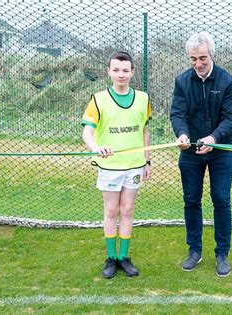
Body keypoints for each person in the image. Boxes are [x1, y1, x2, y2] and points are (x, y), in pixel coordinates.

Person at [170, 32, 232, 277]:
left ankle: (222, 253)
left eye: (202, 58)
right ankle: (194, 251)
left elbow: (231, 118)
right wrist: (181, 134)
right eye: (193, 59)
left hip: (221, 151)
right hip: (190, 152)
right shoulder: (182, 81)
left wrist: (214, 138)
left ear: (211, 55)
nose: (198, 64)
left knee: (221, 200)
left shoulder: (227, 81)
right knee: (191, 200)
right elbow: (177, 114)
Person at [81, 51, 152, 278]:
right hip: (110, 166)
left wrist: (147, 160)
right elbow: (87, 132)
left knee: (128, 210)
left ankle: (124, 257)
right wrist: (96, 148)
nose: (120, 74)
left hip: (134, 165)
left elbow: (145, 130)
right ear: (109, 71)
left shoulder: (143, 98)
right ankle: (111, 258)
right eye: (115, 70)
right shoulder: (98, 99)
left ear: (132, 72)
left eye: (125, 70)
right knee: (111, 210)